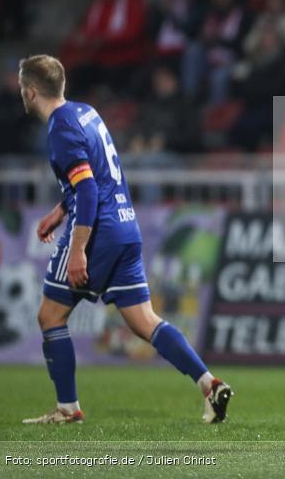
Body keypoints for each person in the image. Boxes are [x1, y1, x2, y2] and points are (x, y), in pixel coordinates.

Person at [17, 55, 232, 425]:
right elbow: (94, 177)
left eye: (22, 87)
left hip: (98, 229)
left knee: (50, 315)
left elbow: (86, 190)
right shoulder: (86, 113)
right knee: (142, 320)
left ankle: (67, 409)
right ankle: (209, 384)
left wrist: (79, 249)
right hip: (126, 226)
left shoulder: (59, 129)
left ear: (31, 91)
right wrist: (59, 210)